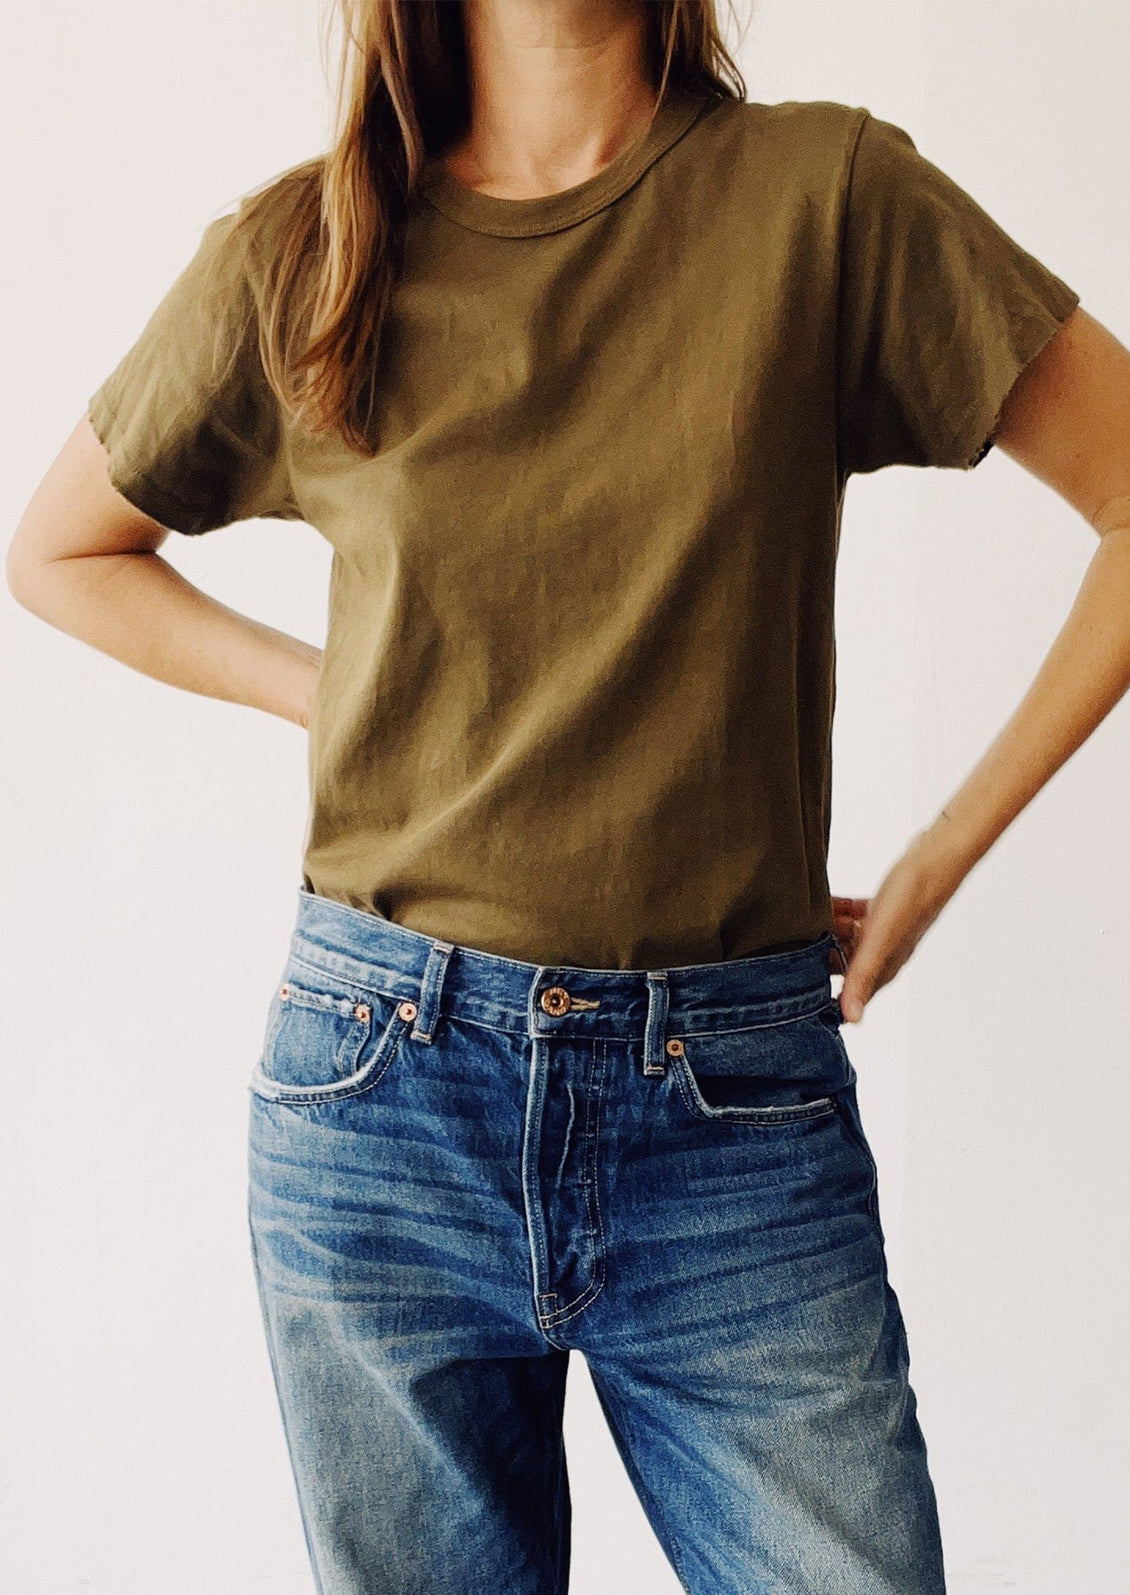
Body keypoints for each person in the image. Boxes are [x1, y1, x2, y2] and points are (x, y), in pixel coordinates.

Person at [8, 2, 1130, 1591]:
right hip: (381, 1095)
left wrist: (941, 855)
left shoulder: (825, 201)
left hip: (730, 1103)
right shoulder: (307, 251)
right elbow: (63, 552)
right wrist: (335, 687)